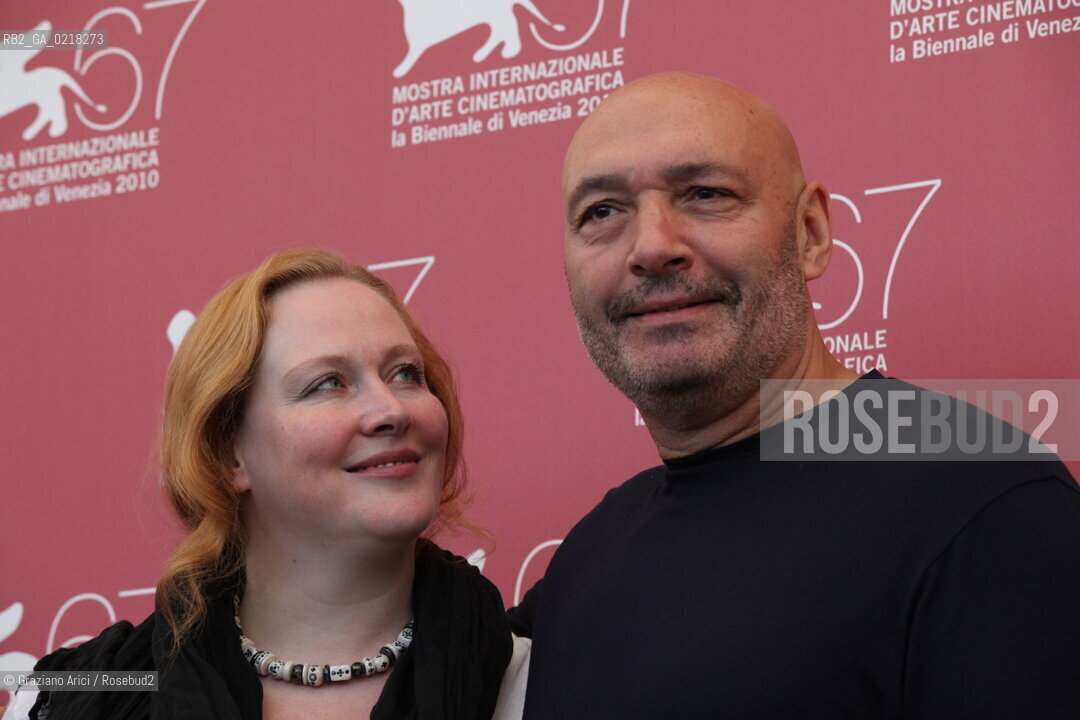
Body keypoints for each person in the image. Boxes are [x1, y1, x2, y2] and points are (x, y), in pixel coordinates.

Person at [507, 72, 1080, 717]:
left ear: (809, 233)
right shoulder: (587, 557)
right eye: (603, 212)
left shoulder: (983, 500)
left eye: (704, 194)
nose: (650, 247)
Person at [4, 249, 528, 720]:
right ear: (229, 454)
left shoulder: (539, 682)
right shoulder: (71, 698)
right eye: (328, 383)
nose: (390, 409)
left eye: (406, 374)